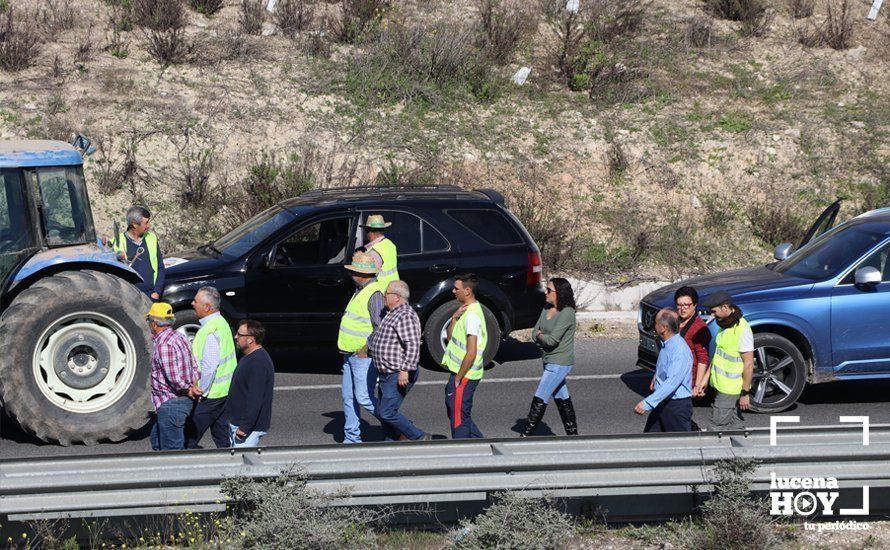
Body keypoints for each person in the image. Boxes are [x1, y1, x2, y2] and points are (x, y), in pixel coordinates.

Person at [368, 280, 430, 441]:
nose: (383, 296)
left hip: (397, 373)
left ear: (397, 296)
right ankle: (391, 446)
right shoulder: (392, 313)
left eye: (386, 293)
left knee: (387, 412)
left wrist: (405, 370)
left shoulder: (405, 315)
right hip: (386, 373)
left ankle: (419, 437)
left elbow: (412, 343)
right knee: (384, 413)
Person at [338, 251, 385, 444]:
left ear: (362, 274)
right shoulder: (361, 291)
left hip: (362, 357)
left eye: (353, 271)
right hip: (349, 355)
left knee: (364, 398)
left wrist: (366, 348)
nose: (350, 275)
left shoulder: (373, 294)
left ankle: (400, 426)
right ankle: (352, 439)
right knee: (348, 398)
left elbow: (380, 326)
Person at [522, 277, 578, 437]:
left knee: (540, 397)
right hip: (548, 360)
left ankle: (525, 435)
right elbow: (534, 333)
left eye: (549, 291)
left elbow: (552, 340)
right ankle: (573, 435)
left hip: (559, 363)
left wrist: (541, 336)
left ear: (559, 293)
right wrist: (541, 336)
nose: (545, 293)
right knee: (562, 397)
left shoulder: (567, 313)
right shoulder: (547, 308)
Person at [186, 286, 237, 448]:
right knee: (222, 437)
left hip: (211, 395)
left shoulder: (209, 330)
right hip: (225, 392)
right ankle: (233, 470)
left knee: (189, 438)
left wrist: (201, 391)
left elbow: (210, 366)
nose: (192, 303)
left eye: (196, 301)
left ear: (207, 307)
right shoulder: (222, 323)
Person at [147, 302, 200, 451]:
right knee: (157, 442)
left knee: (172, 450)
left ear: (154, 324)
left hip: (171, 402)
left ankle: (174, 473)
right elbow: (194, 365)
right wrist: (193, 385)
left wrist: (187, 389)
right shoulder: (180, 337)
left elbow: (174, 378)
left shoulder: (164, 344)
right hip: (173, 402)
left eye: (149, 321)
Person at [700, 290, 754, 430]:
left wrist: (745, 393)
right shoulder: (724, 324)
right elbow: (718, 354)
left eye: (714, 311)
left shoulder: (742, 330)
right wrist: (706, 378)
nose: (713, 315)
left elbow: (748, 364)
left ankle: (711, 451)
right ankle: (742, 449)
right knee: (735, 424)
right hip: (719, 384)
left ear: (725, 308)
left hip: (730, 389)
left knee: (716, 426)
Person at [443, 273, 488, 439]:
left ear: (467, 291)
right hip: (458, 373)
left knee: (459, 419)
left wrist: (459, 377)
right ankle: (483, 446)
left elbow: (471, 352)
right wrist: (454, 317)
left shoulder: (472, 316)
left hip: (465, 375)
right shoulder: (465, 311)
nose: (453, 291)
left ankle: (461, 456)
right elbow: (450, 337)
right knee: (456, 410)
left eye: (457, 288)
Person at [634, 308, 694, 432]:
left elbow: (672, 382)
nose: (654, 326)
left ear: (663, 328)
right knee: (652, 443)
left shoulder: (679, 350)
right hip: (663, 402)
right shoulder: (667, 344)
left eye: (656, 323)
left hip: (675, 407)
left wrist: (647, 403)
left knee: (681, 447)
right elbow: (666, 368)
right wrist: (656, 377)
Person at [227, 320, 274, 448]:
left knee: (243, 465)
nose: (236, 337)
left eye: (239, 334)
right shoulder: (249, 357)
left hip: (247, 430)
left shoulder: (258, 363)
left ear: (250, 340)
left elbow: (255, 399)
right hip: (240, 424)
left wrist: (244, 427)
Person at [111, 205, 166, 300]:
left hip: (151, 295)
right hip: (130, 298)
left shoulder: (151, 238)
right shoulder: (116, 243)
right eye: (146, 223)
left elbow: (160, 266)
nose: (149, 226)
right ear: (134, 224)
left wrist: (157, 292)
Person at [671, 286, 712, 397]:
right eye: (679, 305)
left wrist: (697, 386)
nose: (682, 309)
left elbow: (703, 359)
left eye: (686, 305)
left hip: (687, 381)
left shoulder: (699, 328)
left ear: (694, 305)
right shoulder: (675, 322)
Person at [361, 214, 400, 286]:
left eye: (366, 230)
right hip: (392, 289)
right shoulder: (390, 244)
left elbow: (366, 279)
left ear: (369, 231)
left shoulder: (373, 252)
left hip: (379, 291)